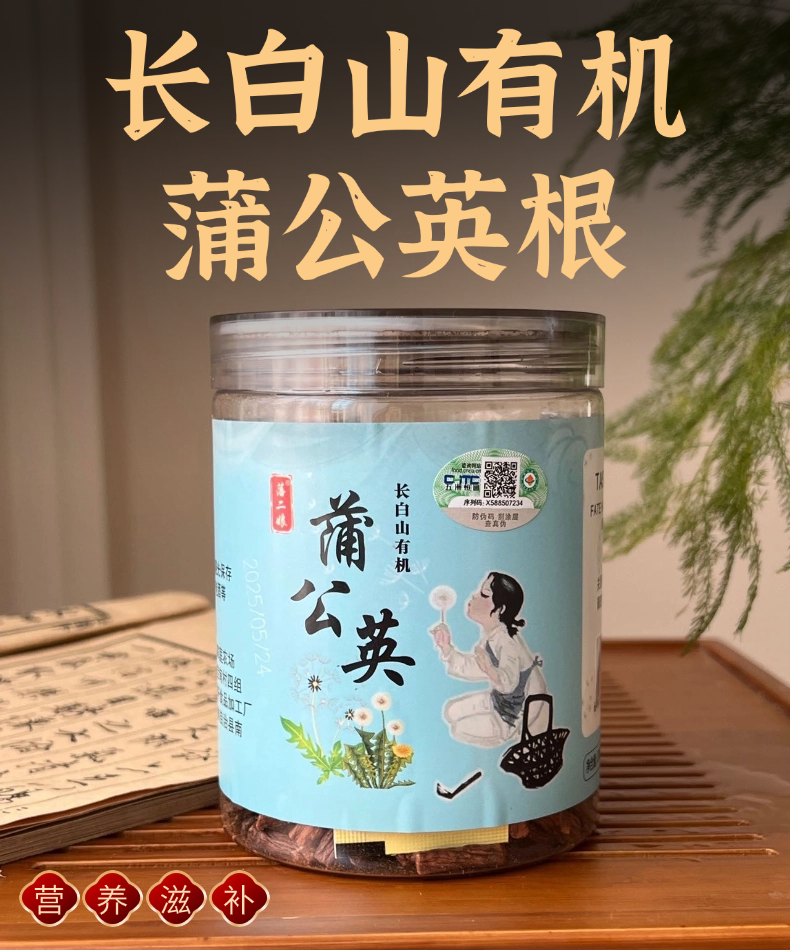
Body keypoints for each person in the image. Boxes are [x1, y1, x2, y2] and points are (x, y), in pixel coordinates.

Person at [429, 572, 547, 748]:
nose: (474, 596)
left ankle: (502, 734)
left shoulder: (507, 642)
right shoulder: (491, 636)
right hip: (497, 701)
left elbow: (509, 683)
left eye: (484, 594)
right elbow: (473, 667)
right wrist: (446, 647)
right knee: (450, 712)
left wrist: (489, 668)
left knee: (458, 729)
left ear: (500, 610)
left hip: (513, 715)